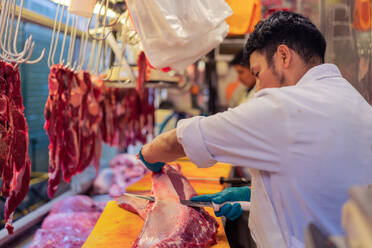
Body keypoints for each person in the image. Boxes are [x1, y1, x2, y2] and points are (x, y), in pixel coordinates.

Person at [137, 11, 372, 248]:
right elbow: (321, 185)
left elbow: (182, 140)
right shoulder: (354, 101)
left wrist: (148, 155)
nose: (258, 89)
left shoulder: (285, 107)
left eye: (258, 73)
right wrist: (254, 196)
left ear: (283, 56)